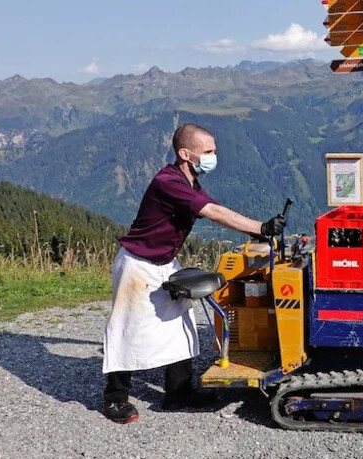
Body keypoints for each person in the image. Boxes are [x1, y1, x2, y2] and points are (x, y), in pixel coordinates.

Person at [101, 123, 285, 424]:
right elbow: (213, 212)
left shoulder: (189, 182)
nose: (214, 156)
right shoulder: (168, 182)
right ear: (185, 154)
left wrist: (256, 231)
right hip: (138, 264)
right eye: (208, 151)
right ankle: (115, 398)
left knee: (181, 325)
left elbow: (213, 207)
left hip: (163, 262)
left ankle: (178, 393)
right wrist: (261, 228)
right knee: (126, 328)